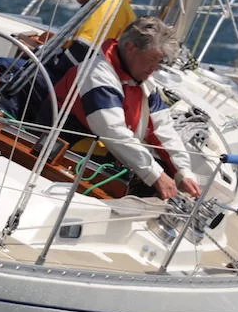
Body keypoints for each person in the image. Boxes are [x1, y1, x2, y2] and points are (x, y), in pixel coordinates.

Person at [52, 16, 201, 200]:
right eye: (152, 59)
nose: (154, 68)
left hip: (104, 155)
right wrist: (155, 175)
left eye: (159, 62)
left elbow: (162, 129)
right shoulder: (96, 74)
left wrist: (183, 172)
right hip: (65, 154)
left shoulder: (144, 82)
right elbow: (112, 131)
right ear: (131, 47)